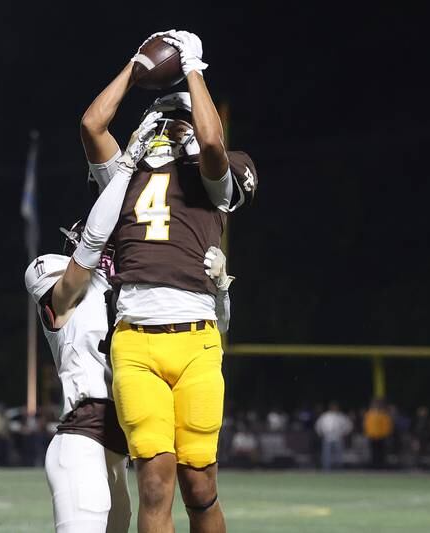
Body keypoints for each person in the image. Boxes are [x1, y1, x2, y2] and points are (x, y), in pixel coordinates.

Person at [80, 29, 256, 533]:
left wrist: (193, 69)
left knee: (198, 484)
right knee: (155, 483)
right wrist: (136, 69)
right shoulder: (124, 175)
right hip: (135, 339)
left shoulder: (213, 178)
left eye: (176, 120)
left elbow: (212, 141)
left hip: (196, 341)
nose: (167, 128)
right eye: (161, 119)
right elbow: (93, 122)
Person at [315, 402, 353, 471]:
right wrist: (320, 433)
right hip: (327, 437)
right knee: (326, 454)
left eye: (335, 407)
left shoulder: (341, 416)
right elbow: (318, 425)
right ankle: (326, 468)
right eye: (332, 407)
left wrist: (344, 433)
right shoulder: (325, 416)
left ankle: (338, 468)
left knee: (339, 454)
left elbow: (349, 425)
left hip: (338, 437)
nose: (334, 408)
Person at [363, 398, 392, 469]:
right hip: (372, 436)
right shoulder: (369, 414)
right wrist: (368, 433)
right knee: (373, 452)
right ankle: (374, 465)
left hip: (381, 436)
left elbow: (387, 425)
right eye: (375, 404)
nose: (376, 406)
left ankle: (381, 465)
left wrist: (386, 434)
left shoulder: (384, 414)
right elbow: (366, 425)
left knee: (381, 452)